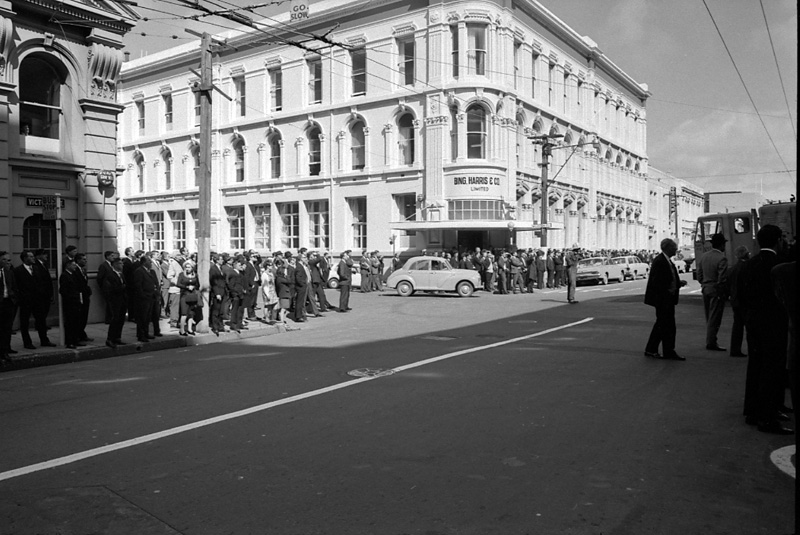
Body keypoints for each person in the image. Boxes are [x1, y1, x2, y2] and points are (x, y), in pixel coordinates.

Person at [740, 224, 791, 435]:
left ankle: (753, 411)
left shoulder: (749, 264)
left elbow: (741, 296)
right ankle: (768, 417)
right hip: (774, 323)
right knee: (772, 368)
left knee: (756, 365)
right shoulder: (779, 264)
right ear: (778, 240)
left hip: (753, 322)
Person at [644, 238, 687, 360]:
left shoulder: (666, 260)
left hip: (667, 299)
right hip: (663, 300)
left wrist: (678, 283)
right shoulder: (660, 261)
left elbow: (668, 278)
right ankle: (666, 350)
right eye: (674, 248)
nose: (676, 250)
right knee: (666, 325)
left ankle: (653, 349)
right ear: (667, 248)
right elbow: (658, 281)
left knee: (663, 325)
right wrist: (668, 290)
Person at [14, 250, 55, 349]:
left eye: (33, 256)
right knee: (25, 322)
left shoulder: (36, 269)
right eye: (31, 256)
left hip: (38, 300)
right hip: (26, 301)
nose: (33, 258)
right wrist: (21, 298)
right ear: (25, 258)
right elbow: (16, 286)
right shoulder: (18, 270)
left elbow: (42, 283)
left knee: (41, 320)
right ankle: (27, 342)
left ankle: (44, 340)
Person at [696, 233, 728, 351]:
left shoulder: (704, 256)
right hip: (716, 290)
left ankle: (711, 340)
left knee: (708, 316)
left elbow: (699, 274)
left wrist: (704, 283)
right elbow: (722, 278)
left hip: (705, 288)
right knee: (715, 318)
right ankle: (711, 342)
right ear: (721, 245)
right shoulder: (722, 258)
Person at [727, 245, 750, 357]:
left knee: (737, 325)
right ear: (746, 254)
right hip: (745, 301)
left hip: (735, 300)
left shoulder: (732, 268)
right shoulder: (748, 267)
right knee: (749, 326)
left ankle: (735, 349)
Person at [132, 255, 159, 342]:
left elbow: (155, 282)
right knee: (142, 317)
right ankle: (141, 335)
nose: (151, 263)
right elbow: (138, 285)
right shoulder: (139, 271)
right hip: (144, 298)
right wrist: (143, 295)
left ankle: (146, 333)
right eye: (149, 261)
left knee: (148, 317)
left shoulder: (150, 271)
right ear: (144, 262)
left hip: (151, 296)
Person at [102, 257, 127, 348]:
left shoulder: (121, 274)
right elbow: (109, 289)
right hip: (115, 301)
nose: (122, 265)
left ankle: (117, 337)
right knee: (115, 320)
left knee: (121, 320)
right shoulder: (110, 275)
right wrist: (121, 288)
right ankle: (110, 339)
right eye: (120, 263)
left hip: (122, 300)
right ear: (115, 265)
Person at [59, 259, 83, 349]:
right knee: (70, 322)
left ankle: (75, 339)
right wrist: (72, 297)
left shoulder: (73, 275)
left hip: (76, 302)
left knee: (76, 322)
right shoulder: (64, 276)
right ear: (68, 265)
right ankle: (69, 341)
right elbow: (63, 291)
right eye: (73, 265)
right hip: (70, 303)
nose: (75, 266)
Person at [0, 251, 19, 363]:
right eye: (4, 260)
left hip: (8, 302)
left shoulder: (9, 272)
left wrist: (14, 299)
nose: (7, 262)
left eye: (8, 260)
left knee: (7, 328)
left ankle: (5, 350)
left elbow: (14, 287)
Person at [73, 253, 93, 342]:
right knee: (79, 317)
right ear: (78, 260)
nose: (85, 261)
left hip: (85, 296)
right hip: (80, 296)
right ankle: (78, 335)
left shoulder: (83, 270)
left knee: (84, 316)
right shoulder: (75, 270)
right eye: (83, 259)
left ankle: (81, 334)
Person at [177, 261, 200, 336]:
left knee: (191, 313)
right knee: (184, 313)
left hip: (192, 295)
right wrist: (186, 287)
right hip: (184, 295)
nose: (187, 269)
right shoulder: (181, 275)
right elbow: (178, 284)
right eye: (186, 267)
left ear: (192, 268)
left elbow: (198, 285)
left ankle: (190, 329)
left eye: (189, 267)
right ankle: (182, 330)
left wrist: (194, 287)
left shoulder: (195, 275)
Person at [209, 253, 228, 335]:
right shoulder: (213, 269)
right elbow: (213, 282)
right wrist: (217, 293)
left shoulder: (221, 268)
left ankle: (221, 326)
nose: (222, 261)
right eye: (221, 259)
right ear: (216, 260)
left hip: (223, 291)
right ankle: (215, 327)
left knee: (221, 310)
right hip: (218, 293)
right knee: (216, 310)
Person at [226, 256, 246, 332]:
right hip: (236, 295)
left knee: (240, 310)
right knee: (235, 310)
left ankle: (239, 323)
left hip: (241, 294)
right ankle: (233, 324)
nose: (241, 266)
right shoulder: (232, 273)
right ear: (234, 265)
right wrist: (234, 293)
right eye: (239, 265)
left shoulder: (240, 273)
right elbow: (231, 285)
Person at [273, 258, 291, 324]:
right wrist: (286, 275)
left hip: (284, 293)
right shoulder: (280, 279)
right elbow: (289, 281)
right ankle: (282, 320)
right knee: (283, 308)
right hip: (284, 294)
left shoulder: (279, 278)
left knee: (284, 308)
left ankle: (282, 319)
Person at [260, 257, 279, 323]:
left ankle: (272, 317)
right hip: (268, 291)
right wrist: (267, 294)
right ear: (267, 266)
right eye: (270, 265)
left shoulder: (271, 273)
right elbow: (265, 285)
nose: (271, 267)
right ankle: (266, 318)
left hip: (273, 291)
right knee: (267, 306)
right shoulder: (264, 274)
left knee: (275, 305)